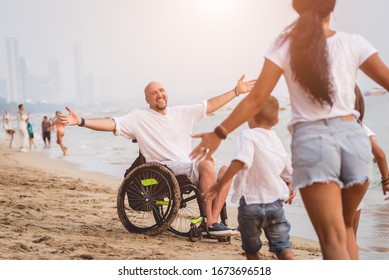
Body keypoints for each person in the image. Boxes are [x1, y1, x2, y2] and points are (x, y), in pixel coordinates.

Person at [190, 0, 389, 259]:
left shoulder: (285, 45)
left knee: (332, 239)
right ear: (333, 6)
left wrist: (219, 133)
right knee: (347, 229)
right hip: (355, 141)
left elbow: (256, 98)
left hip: (314, 144)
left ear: (297, 7)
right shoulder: (354, 43)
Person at [59, 76, 255, 236]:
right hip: (164, 168)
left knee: (225, 170)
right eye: (154, 93)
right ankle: (211, 223)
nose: (159, 95)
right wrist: (81, 121)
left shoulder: (182, 112)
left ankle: (213, 222)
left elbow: (209, 105)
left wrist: (236, 91)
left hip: (188, 166)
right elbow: (111, 123)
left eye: (161, 90)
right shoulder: (138, 117)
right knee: (205, 164)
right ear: (147, 99)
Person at [204, 96, 296, 260]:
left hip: (250, 205)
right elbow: (288, 170)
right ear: (276, 121)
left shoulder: (247, 135)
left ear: (249, 117)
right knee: (282, 246)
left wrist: (220, 185)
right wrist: (292, 186)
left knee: (251, 250)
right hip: (275, 204)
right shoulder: (276, 140)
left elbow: (241, 160)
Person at [353, 85, 389, 235]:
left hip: (332, 183)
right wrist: (386, 181)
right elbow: (380, 155)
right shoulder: (361, 128)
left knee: (335, 234)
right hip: (357, 184)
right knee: (351, 233)